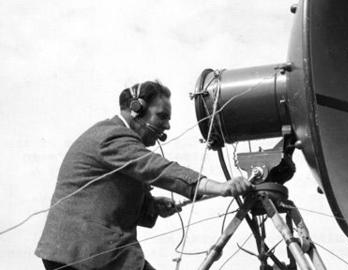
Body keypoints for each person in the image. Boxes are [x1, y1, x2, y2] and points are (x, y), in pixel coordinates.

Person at [35, 81, 252, 270]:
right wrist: (220, 187)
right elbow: (158, 169)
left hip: (74, 253)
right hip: (83, 254)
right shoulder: (112, 136)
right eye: (162, 116)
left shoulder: (113, 138)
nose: (167, 125)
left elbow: (104, 196)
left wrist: (152, 206)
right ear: (136, 109)